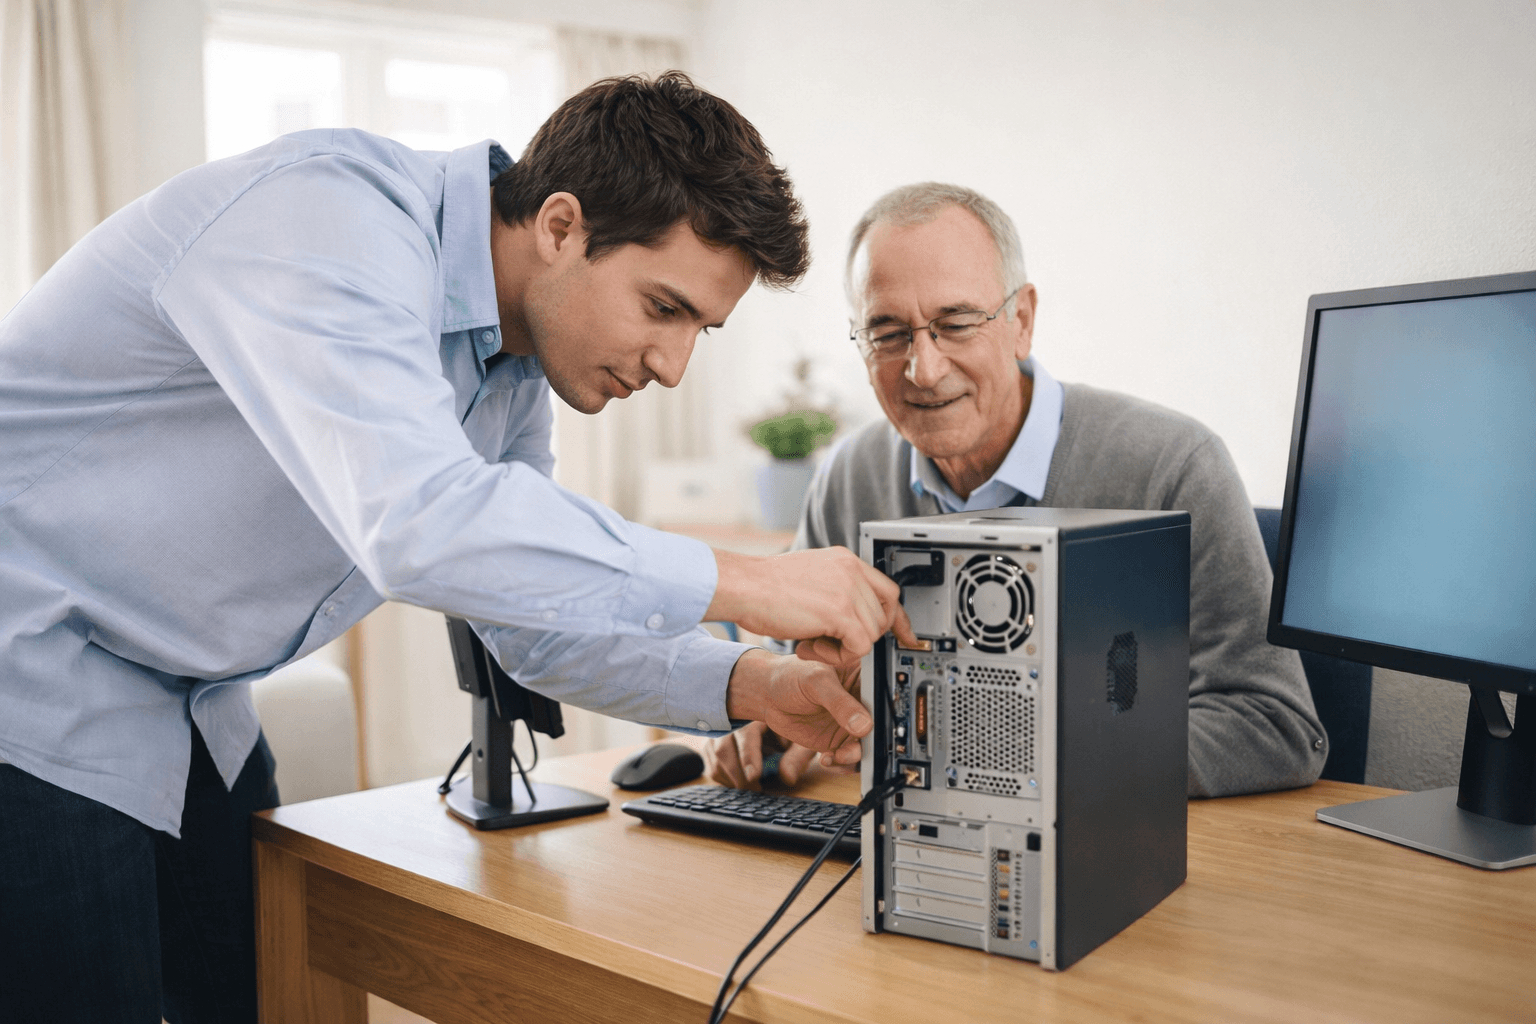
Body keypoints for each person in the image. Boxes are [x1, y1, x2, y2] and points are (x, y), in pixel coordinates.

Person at [0, 73, 913, 1024]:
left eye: (700, 331)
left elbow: (536, 630)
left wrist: (752, 687)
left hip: (189, 703)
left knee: (269, 993)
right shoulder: (329, 217)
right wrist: (750, 580)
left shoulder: (508, 370)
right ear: (561, 225)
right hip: (31, 676)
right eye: (663, 308)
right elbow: (421, 522)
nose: (673, 367)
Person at [706, 182, 1327, 798]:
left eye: (955, 323)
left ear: (1022, 321)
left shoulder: (1173, 467)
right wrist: (776, 718)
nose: (923, 369)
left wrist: (998, 753)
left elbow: (1276, 726)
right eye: (888, 332)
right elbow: (802, 675)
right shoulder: (852, 473)